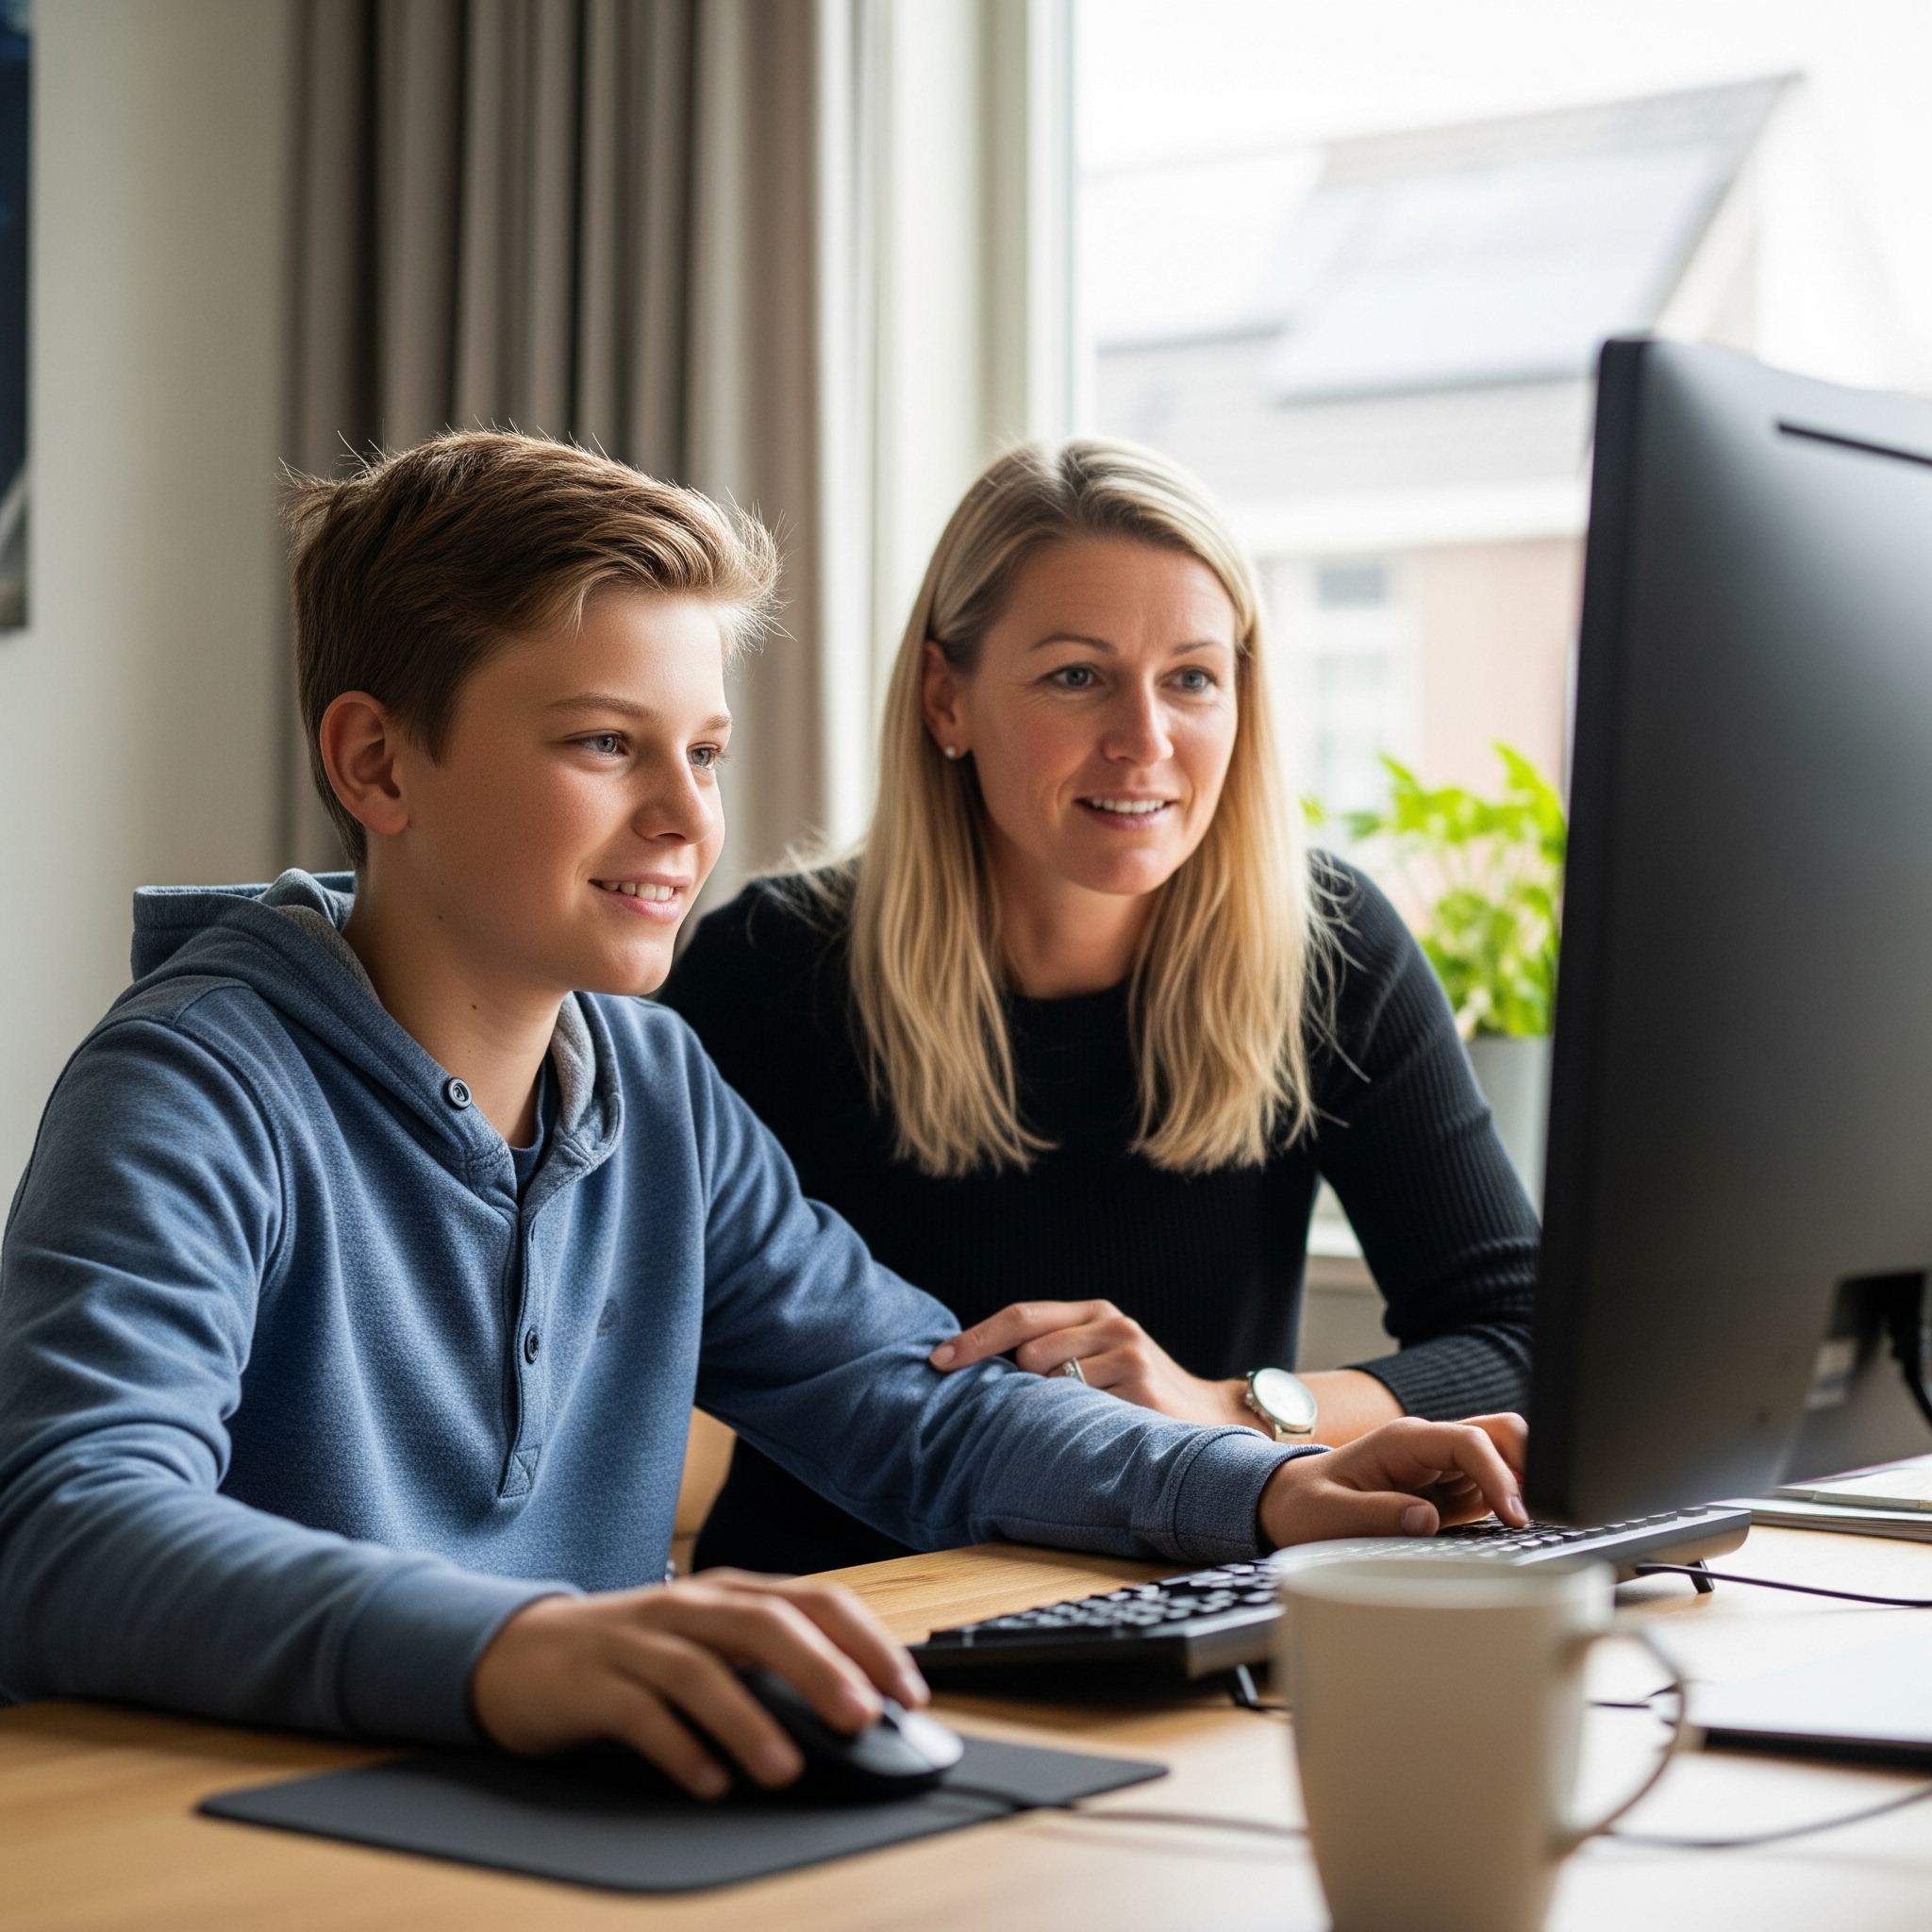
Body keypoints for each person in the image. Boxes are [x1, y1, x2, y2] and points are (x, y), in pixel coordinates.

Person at [0, 433, 1525, 1800]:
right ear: (375, 759)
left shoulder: (649, 1087)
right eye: (605, 743)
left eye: (704, 752)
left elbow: (916, 1395)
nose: (683, 818)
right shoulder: (193, 1086)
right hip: (219, 1828)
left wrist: (1263, 1483)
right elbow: (66, 1527)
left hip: (550, 1813)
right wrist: (526, 1642)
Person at [661, 439, 1540, 1577]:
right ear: (947, 697)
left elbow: (1516, 1334)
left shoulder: (1327, 947)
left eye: (1191, 676)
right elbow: (614, 1354)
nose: (1145, 739)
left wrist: (1228, 1404)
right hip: (859, 1616)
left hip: (1189, 1588)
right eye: (1077, 675)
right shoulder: (766, 969)